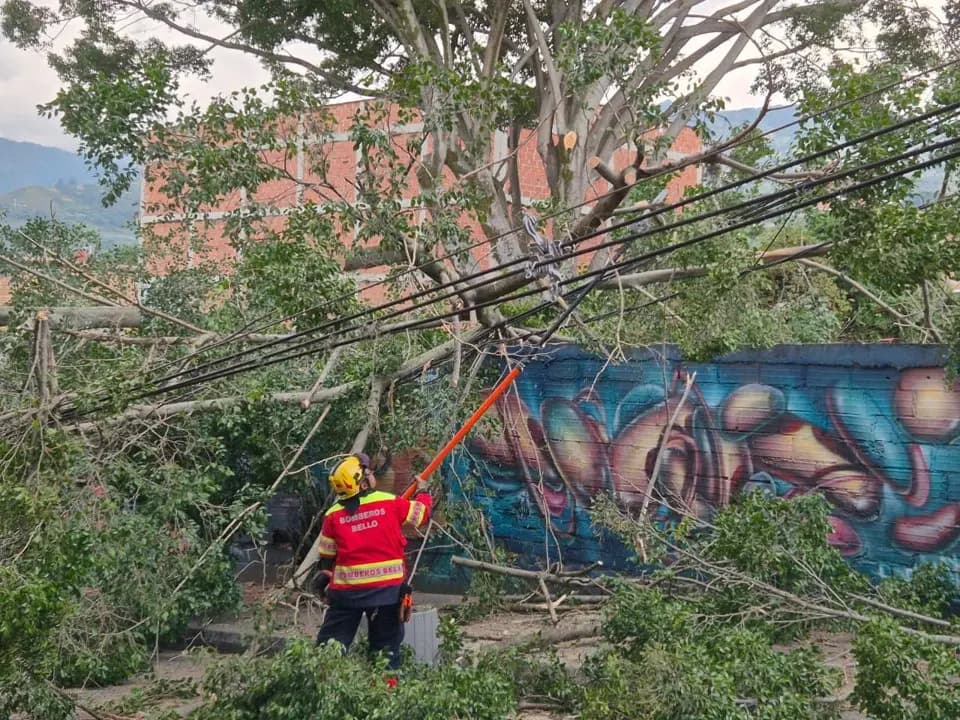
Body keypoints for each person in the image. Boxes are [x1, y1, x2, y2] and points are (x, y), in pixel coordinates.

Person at [313, 452, 432, 671]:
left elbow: (327, 557)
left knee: (329, 649)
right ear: (363, 481)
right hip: (387, 595)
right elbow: (421, 515)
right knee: (385, 654)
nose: (372, 474)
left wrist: (325, 580)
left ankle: (321, 688)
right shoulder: (390, 503)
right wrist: (423, 491)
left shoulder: (332, 516)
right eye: (368, 472)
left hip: (346, 596)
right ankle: (386, 693)